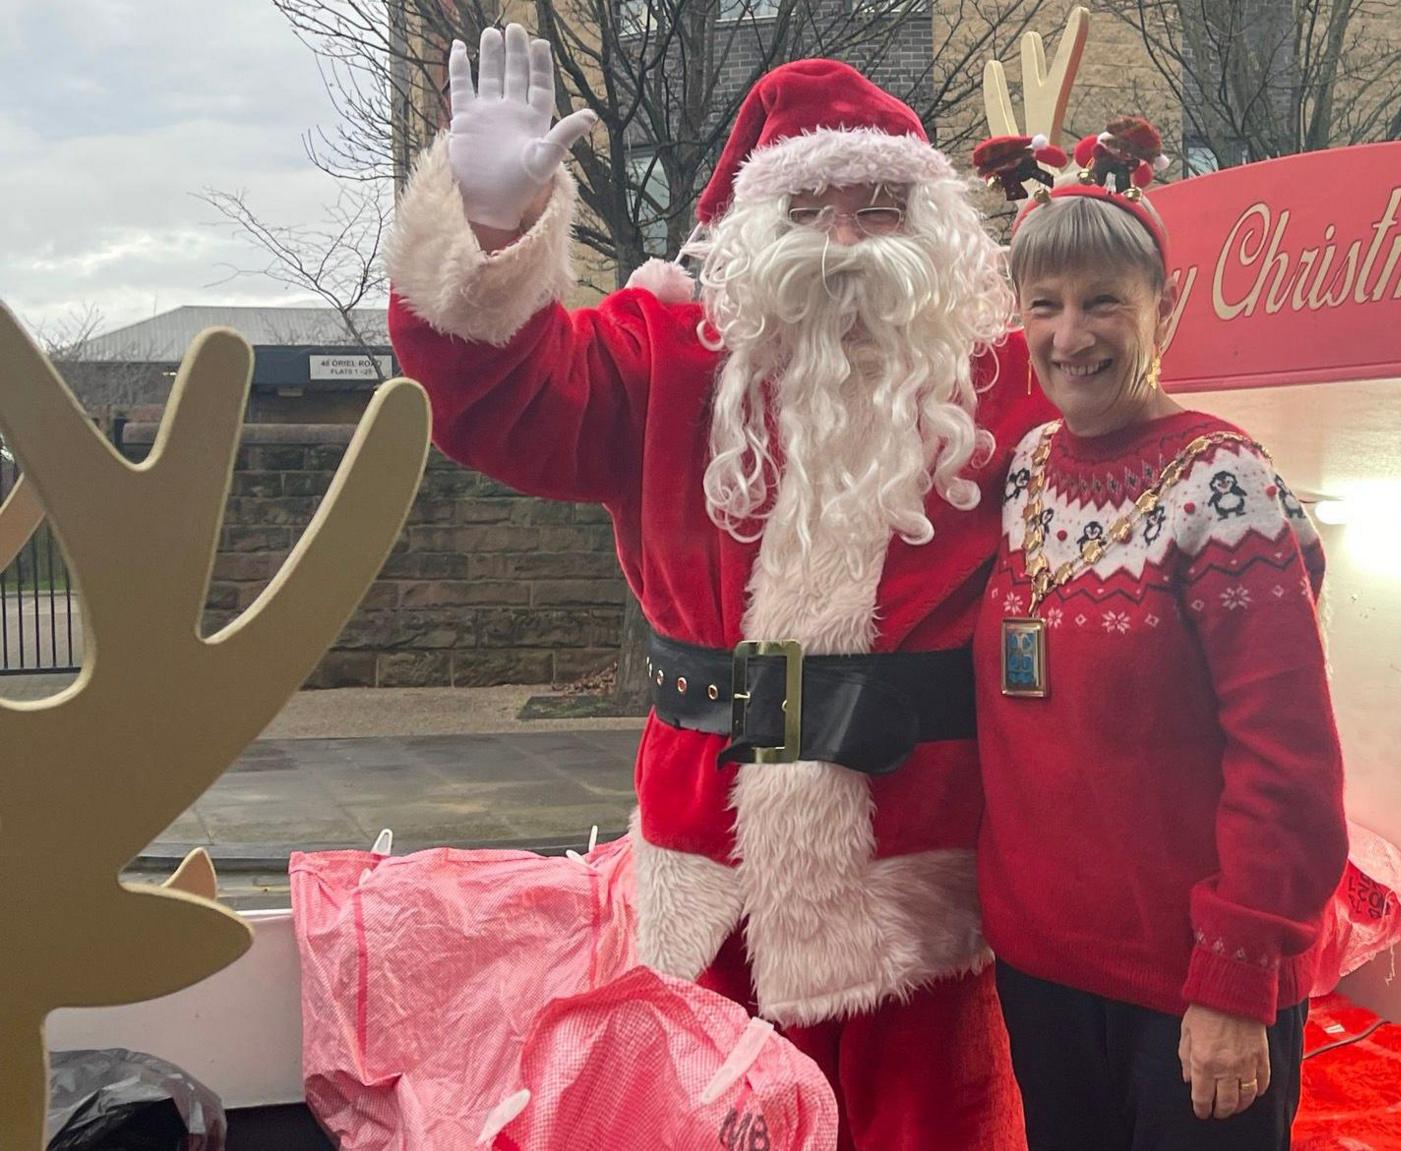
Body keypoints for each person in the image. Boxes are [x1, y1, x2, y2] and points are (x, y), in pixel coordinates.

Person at [384, 25, 1052, 1149]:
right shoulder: (665, 352)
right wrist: (490, 228)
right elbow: (502, 399)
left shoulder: (1003, 377)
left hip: (923, 877)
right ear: (750, 225)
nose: (844, 238)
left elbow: (1105, 524)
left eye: (877, 206)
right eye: (808, 209)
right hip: (711, 866)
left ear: (930, 225)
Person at [969, 119, 1349, 1149]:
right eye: (1042, 305)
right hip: (1042, 971)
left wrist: (1237, 978)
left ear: (1162, 310)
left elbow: (1288, 760)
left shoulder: (1223, 483)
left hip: (1192, 985)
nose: (1068, 334)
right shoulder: (1022, 469)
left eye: (1102, 302)